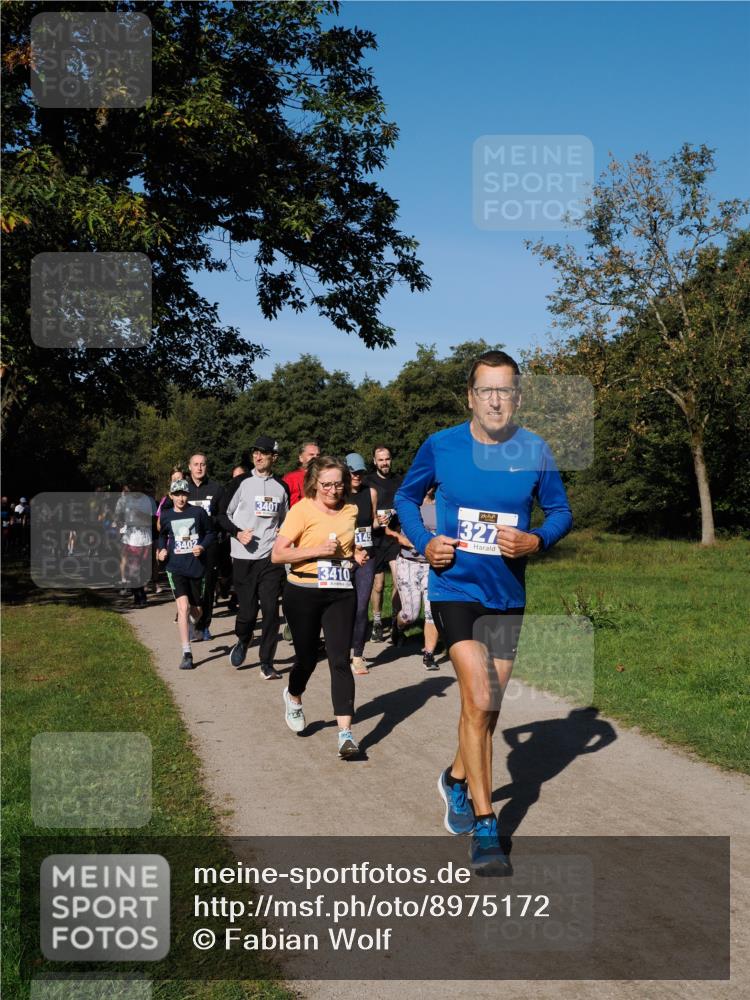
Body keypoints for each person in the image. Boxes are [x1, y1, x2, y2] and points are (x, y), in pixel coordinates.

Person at [395, 349, 573, 874]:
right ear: (470, 396)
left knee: (487, 709)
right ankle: (486, 822)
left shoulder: (534, 450)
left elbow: (561, 511)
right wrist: (426, 542)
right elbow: (407, 498)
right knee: (477, 696)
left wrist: (535, 540)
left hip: (506, 595)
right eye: (486, 390)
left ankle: (454, 778)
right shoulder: (441, 446)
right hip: (454, 587)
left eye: (506, 390)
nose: (496, 399)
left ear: (517, 397)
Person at [271, 455, 369, 757]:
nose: (333, 490)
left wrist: (354, 554)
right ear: (314, 483)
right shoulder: (301, 511)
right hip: (303, 591)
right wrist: (316, 551)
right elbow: (278, 555)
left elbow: (345, 545)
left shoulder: (352, 510)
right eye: (326, 484)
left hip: (340, 591)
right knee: (307, 658)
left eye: (339, 484)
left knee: (340, 660)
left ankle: (345, 735)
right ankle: (294, 695)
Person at [218, 436, 290, 679]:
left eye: (263, 453)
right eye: (255, 453)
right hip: (243, 557)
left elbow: (285, 520)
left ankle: (267, 662)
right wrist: (238, 533)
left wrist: (284, 532)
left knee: (271, 610)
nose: (258, 457)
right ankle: (243, 639)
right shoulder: (241, 482)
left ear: (274, 457)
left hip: (270, 558)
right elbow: (222, 515)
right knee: (247, 613)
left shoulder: (281, 488)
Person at [157, 478, 215, 670]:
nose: (181, 499)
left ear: (188, 495)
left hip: (196, 567)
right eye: (177, 495)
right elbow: (162, 536)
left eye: (184, 494)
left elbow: (210, 533)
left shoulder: (197, 512)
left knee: (196, 610)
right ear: (171, 496)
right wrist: (161, 551)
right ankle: (186, 652)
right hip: (175, 567)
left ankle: (194, 622)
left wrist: (201, 546)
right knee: (183, 607)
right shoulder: (166, 516)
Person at [389, 485, 440, 669]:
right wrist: (400, 538)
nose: (430, 486)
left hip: (433, 565)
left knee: (431, 611)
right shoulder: (408, 502)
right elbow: (386, 528)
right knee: (410, 614)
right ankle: (399, 625)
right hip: (408, 563)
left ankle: (428, 654)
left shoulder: (444, 503)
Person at [185, 453, 224, 640]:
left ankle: (204, 625)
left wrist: (207, 519)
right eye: (196, 464)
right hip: (187, 545)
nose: (199, 468)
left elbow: (224, 516)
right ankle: (193, 621)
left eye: (202, 464)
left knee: (208, 586)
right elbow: (169, 511)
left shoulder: (216, 489)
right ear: (189, 467)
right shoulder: (182, 489)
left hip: (210, 545)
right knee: (190, 585)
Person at [345, 453, 378, 675]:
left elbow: (373, 521)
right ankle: (340, 647)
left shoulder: (371, 492)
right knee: (342, 606)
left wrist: (382, 521)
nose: (357, 475)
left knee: (362, 605)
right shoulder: (339, 495)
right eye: (353, 471)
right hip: (345, 556)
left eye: (360, 472)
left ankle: (357, 654)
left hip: (367, 555)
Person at [366, 445, 402, 642]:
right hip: (375, 538)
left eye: (387, 459)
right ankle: (378, 622)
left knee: (398, 582)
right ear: (374, 461)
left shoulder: (399, 481)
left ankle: (397, 624)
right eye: (381, 460)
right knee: (378, 585)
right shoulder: (368, 481)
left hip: (394, 537)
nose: (385, 463)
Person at [114, 483, 155, 608]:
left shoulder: (149, 500)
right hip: (131, 538)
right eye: (133, 487)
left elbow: (154, 519)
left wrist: (141, 515)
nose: (135, 489)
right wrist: (119, 523)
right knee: (133, 569)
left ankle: (139, 593)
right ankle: (139, 596)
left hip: (146, 538)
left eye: (138, 487)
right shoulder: (124, 500)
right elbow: (117, 517)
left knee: (143, 569)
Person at [283, 441, 321, 507]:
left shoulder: (325, 477)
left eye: (318, 455)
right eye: (311, 455)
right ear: (301, 458)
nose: (315, 458)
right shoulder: (290, 479)